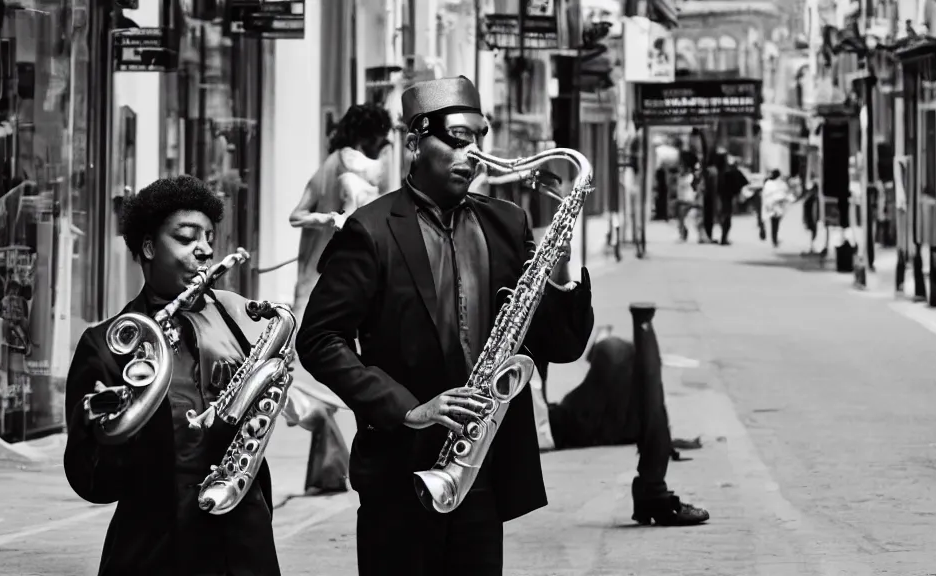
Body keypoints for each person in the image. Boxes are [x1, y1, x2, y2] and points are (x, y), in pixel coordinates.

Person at [296, 76, 595, 576]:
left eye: (478, 137)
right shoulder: (369, 230)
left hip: (481, 467)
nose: (472, 152)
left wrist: (560, 266)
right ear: (414, 143)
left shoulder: (508, 223)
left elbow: (562, 345)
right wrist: (410, 409)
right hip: (399, 470)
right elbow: (320, 339)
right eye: (456, 138)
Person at [64, 175, 282, 575]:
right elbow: (91, 482)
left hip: (242, 542)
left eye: (209, 237)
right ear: (148, 247)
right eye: (186, 238)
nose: (205, 250)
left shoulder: (237, 322)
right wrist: (105, 429)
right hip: (154, 550)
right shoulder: (106, 345)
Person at [288, 102, 393, 495]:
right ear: (363, 135)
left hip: (358, 277)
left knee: (343, 362)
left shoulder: (374, 168)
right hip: (321, 271)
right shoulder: (333, 166)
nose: (384, 143)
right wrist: (329, 220)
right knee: (309, 363)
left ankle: (329, 464)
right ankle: (323, 438)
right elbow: (296, 215)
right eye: (378, 136)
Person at [531, 324, 710, 527]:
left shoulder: (620, 414)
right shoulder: (616, 415)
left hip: (562, 421)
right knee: (619, 354)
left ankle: (654, 493)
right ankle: (654, 493)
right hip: (554, 426)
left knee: (623, 356)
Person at [761, 169, 792, 248]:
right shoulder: (779, 183)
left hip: (773, 206)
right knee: (775, 224)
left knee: (774, 223)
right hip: (776, 206)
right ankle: (774, 239)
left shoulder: (769, 183)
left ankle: (774, 238)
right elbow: (785, 193)